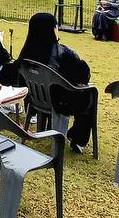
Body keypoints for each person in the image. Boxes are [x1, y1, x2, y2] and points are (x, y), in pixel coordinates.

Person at [17, 12, 95, 152]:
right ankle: (78, 139)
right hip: (62, 103)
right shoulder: (64, 53)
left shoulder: (26, 55)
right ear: (52, 29)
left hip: (36, 100)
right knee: (89, 94)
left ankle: (50, 127)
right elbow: (84, 75)